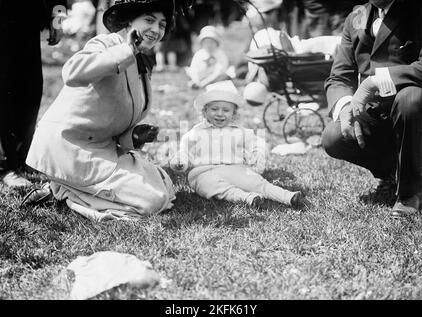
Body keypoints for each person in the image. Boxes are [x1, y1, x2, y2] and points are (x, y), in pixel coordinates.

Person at [24, 0, 180, 221]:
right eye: (149, 20)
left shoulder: (141, 62)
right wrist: (126, 50)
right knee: (152, 201)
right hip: (70, 147)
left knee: (165, 185)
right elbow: (72, 72)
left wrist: (133, 136)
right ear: (129, 20)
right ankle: (62, 192)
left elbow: (112, 117)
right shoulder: (107, 44)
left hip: (100, 148)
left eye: (162, 24)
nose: (156, 30)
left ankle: (70, 186)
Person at [322, 0, 422, 218]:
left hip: (412, 111)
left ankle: (410, 192)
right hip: (376, 112)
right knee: (333, 136)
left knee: (412, 99)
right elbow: (339, 76)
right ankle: (395, 173)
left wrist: (375, 82)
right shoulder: (355, 17)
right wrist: (346, 106)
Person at [169, 81, 311, 209]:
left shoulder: (239, 131)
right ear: (204, 111)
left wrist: (258, 153)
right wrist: (180, 161)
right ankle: (246, 198)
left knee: (257, 183)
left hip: (236, 169)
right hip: (205, 173)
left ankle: (288, 196)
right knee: (209, 186)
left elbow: (258, 142)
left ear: (234, 114)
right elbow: (185, 150)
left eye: (226, 110)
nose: (220, 114)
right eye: (214, 109)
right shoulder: (197, 132)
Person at [0, 0, 67, 188]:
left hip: (28, 21)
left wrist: (57, 22)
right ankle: (6, 165)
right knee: (4, 91)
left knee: (30, 90)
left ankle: (24, 158)